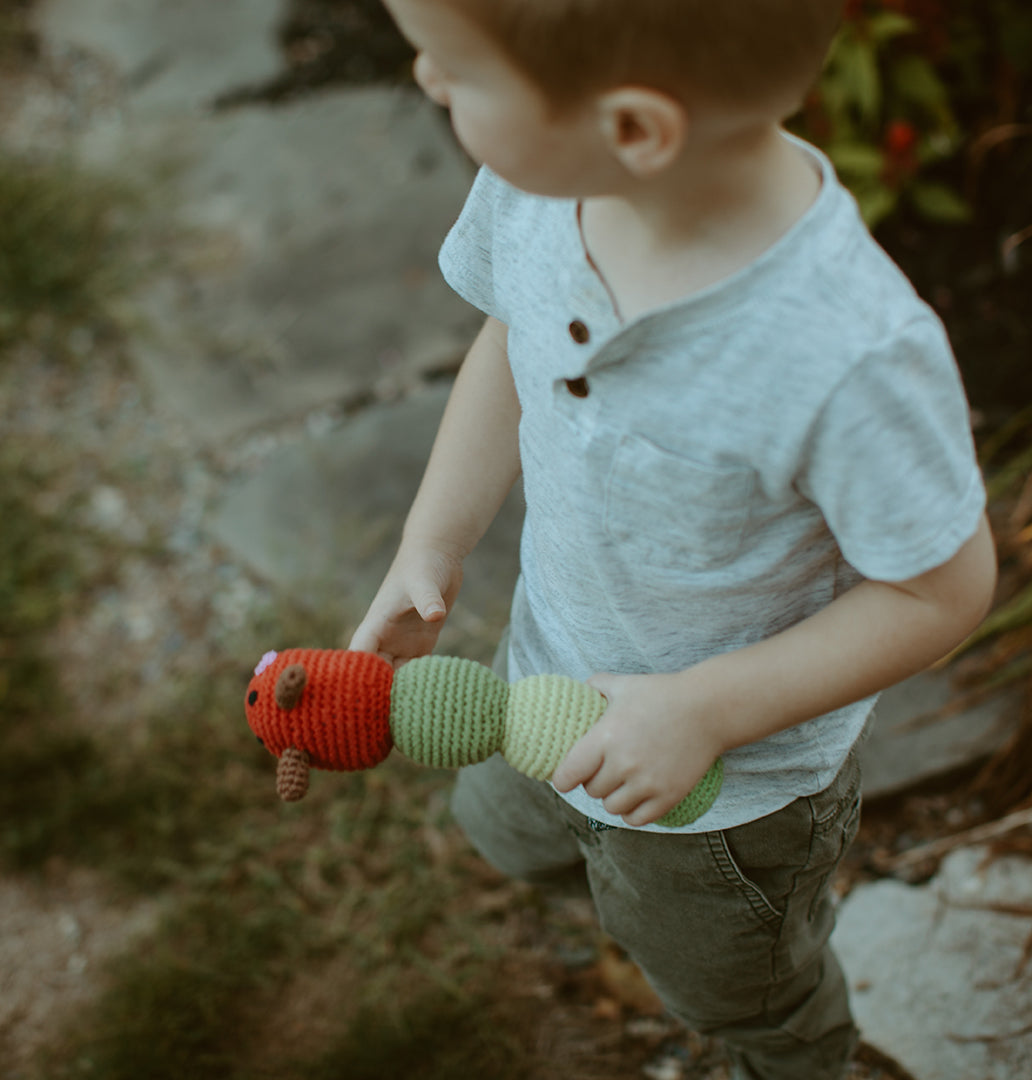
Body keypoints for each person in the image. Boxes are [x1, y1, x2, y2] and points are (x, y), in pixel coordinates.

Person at [349, 1, 998, 1077]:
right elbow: (511, 338)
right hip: (544, 681)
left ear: (637, 128)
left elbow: (944, 591)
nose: (424, 77)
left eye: (460, 69)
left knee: (736, 986)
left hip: (726, 802)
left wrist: (702, 711)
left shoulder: (845, 354)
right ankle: (621, 907)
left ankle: (796, 1057)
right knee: (513, 834)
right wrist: (432, 538)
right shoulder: (550, 188)